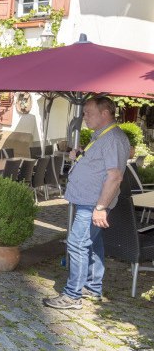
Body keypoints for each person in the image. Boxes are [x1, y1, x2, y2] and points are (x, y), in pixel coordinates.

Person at [43, 97, 129, 310]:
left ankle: (72, 296)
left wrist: (100, 208)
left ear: (105, 113)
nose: (84, 117)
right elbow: (98, 165)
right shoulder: (101, 136)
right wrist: (79, 156)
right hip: (88, 201)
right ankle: (92, 287)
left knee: (77, 244)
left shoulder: (113, 139)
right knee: (92, 244)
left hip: (93, 204)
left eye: (88, 113)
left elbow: (115, 176)